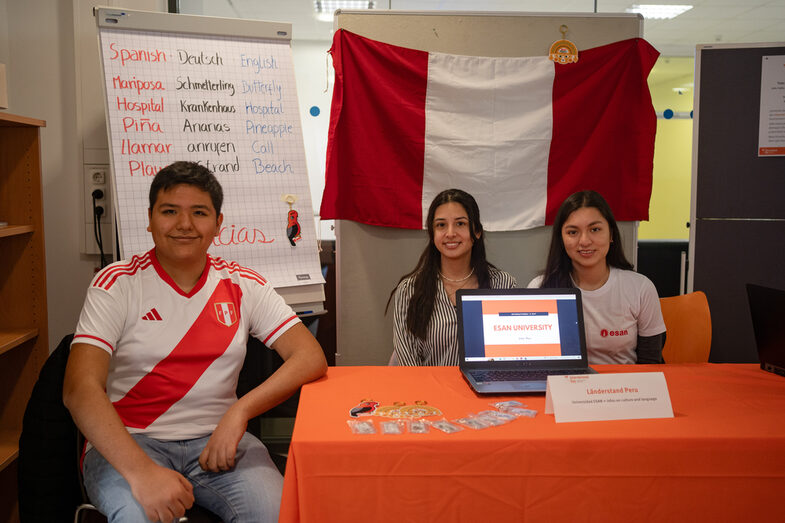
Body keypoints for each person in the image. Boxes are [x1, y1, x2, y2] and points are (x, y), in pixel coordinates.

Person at [63, 161, 327, 523]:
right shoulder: (116, 284)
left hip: (220, 440)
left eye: (199, 213)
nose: (184, 224)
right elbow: (79, 389)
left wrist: (239, 412)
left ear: (218, 224)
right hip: (131, 441)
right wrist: (142, 473)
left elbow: (309, 356)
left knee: (277, 513)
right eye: (169, 211)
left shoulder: (242, 284)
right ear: (150, 219)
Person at [528, 190, 665, 364]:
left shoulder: (640, 288)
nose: (584, 241)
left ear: (611, 235)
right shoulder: (540, 288)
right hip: (563, 387)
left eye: (595, 229)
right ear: (561, 239)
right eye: (572, 232)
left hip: (624, 387)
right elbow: (535, 362)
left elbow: (650, 365)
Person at [387, 189, 516, 366]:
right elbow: (409, 368)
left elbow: (511, 356)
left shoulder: (503, 285)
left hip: (485, 391)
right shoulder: (409, 290)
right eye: (441, 225)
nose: (450, 233)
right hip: (428, 391)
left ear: (476, 231)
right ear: (432, 235)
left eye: (460, 224)